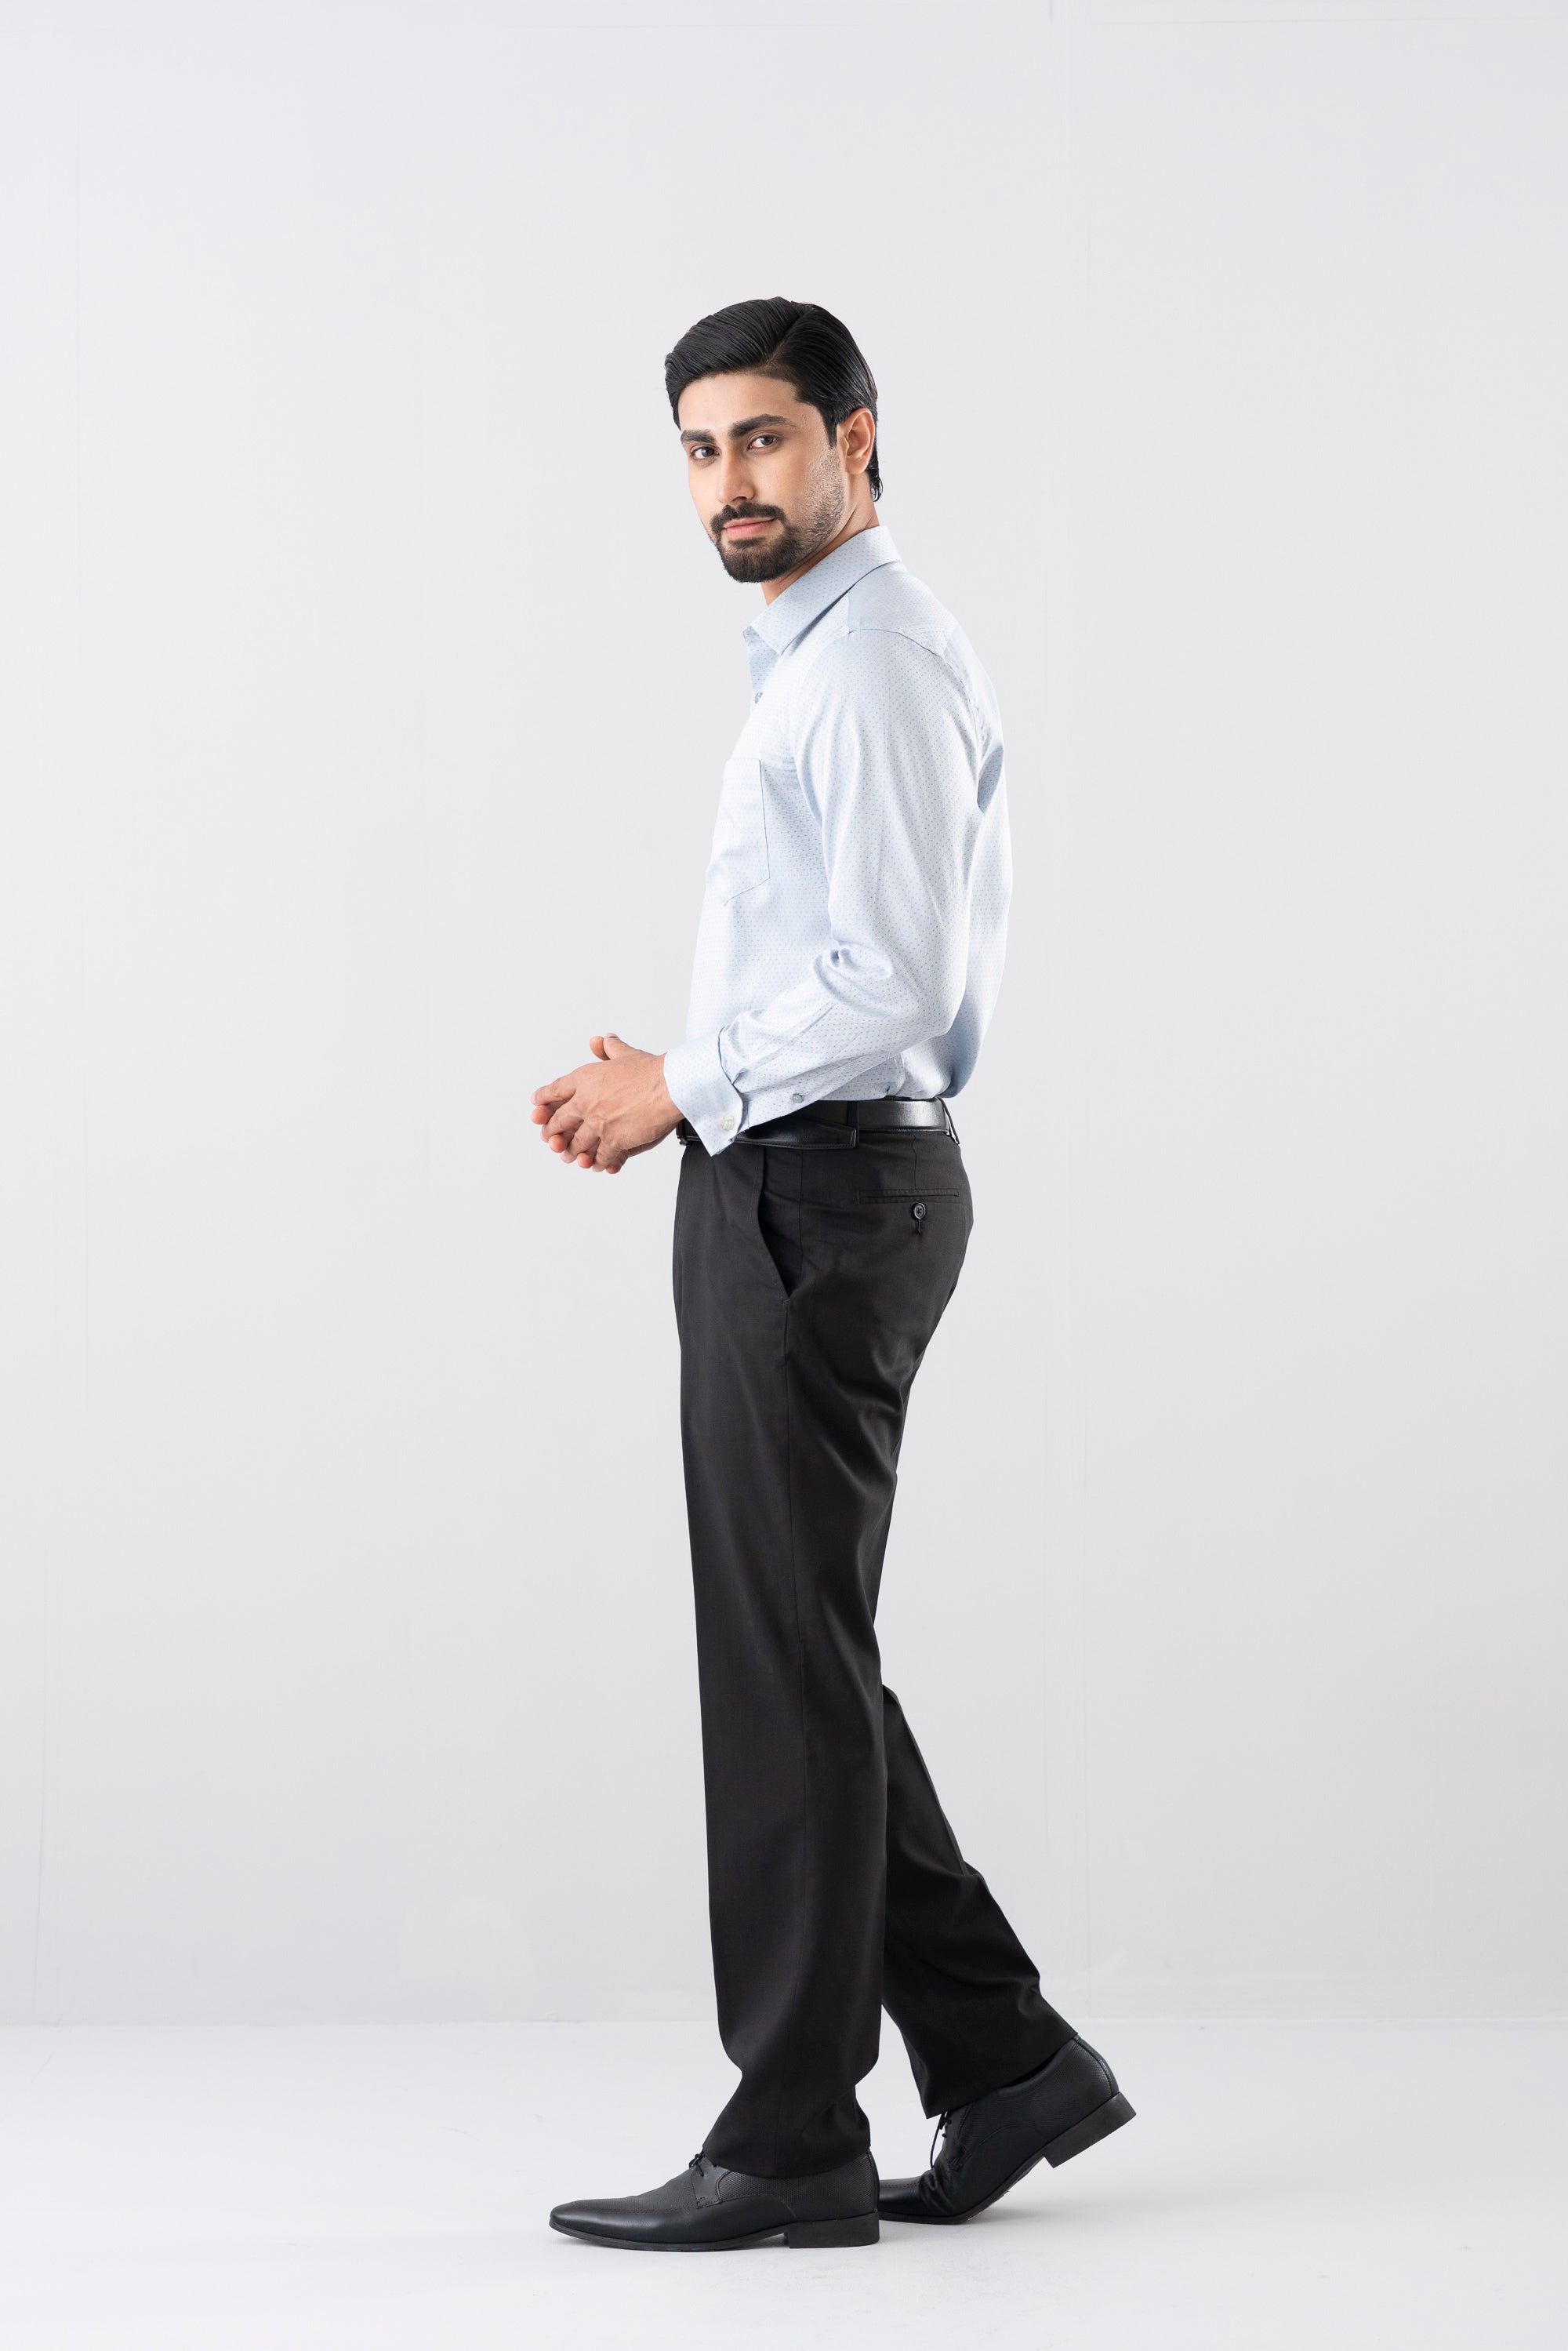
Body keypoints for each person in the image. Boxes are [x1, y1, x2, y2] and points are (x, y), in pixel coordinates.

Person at [534, 298, 1133, 2252]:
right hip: (798, 1173)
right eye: (702, 449)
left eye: (767, 439)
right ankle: (1007, 2060)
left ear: (856, 439)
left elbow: (898, 976)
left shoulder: (868, 660)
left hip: (821, 1187)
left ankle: (791, 2135)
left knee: (784, 1670)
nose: (732, 481)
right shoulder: (821, 652)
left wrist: (682, 1083)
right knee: (805, 1656)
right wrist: (691, 1082)